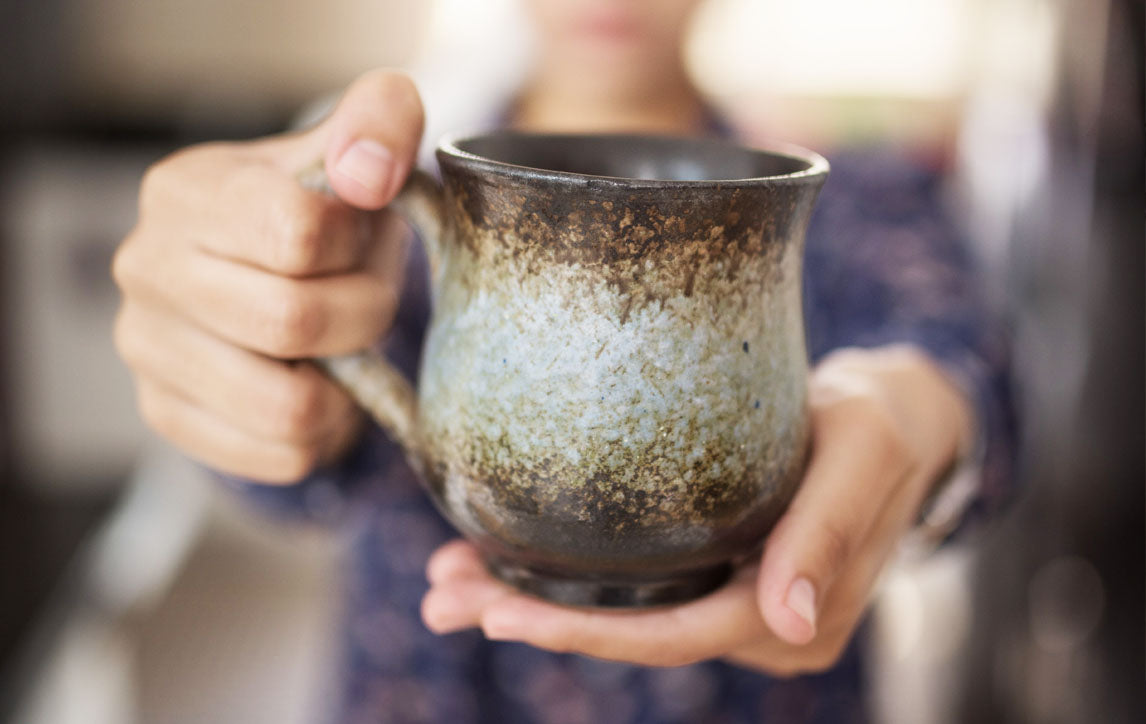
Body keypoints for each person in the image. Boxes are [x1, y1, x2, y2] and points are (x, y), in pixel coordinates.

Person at [111, 0, 1014, 721]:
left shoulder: (862, 204)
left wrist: (921, 415)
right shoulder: (388, 211)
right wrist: (251, 342)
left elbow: (974, 372)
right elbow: (296, 464)